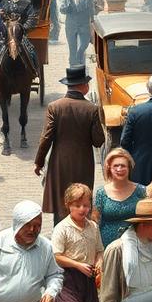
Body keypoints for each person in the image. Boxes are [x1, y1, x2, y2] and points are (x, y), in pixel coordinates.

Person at [34, 66, 105, 224]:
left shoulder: (55, 107)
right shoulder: (92, 109)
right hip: (83, 163)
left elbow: (46, 138)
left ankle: (60, 236)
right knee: (82, 201)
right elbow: (98, 141)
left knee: (62, 204)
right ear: (83, 86)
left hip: (60, 163)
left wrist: (39, 162)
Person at [92, 148, 146, 248]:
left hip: (135, 245)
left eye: (123, 165)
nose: (119, 169)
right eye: (116, 166)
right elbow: (94, 222)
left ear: (129, 167)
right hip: (107, 246)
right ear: (109, 168)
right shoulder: (101, 193)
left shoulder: (141, 191)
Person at [59, 0, 93, 69]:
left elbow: (91, 8)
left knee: (85, 44)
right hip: (71, 24)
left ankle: (79, 56)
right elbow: (62, 9)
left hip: (84, 23)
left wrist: (92, 21)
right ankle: (73, 66)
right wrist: (68, 4)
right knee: (72, 47)